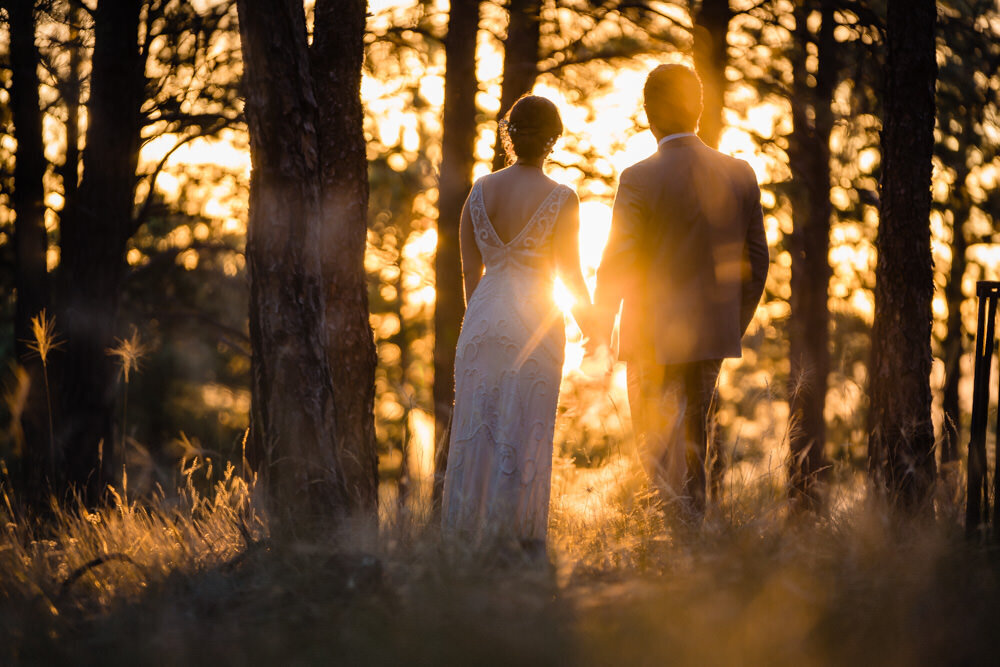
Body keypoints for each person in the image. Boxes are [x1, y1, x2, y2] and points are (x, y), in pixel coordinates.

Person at [594, 64, 769, 524]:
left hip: (649, 337)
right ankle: (695, 543)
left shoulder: (637, 178)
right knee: (695, 441)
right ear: (699, 109)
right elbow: (757, 264)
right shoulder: (740, 173)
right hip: (712, 335)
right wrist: (729, 323)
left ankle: (663, 544)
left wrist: (598, 330)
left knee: (655, 449)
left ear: (648, 114)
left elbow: (617, 263)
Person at [440, 95, 592, 556]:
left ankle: (464, 539)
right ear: (553, 139)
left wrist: (482, 315)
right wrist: (593, 327)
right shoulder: (562, 197)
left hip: (483, 318)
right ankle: (519, 543)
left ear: (510, 135)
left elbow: (470, 271)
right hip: (533, 325)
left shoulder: (479, 190)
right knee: (524, 428)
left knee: (475, 426)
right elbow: (570, 273)